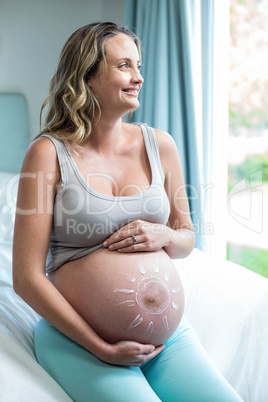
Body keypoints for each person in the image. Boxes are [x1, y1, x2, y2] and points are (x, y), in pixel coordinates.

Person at [13, 22, 243, 401]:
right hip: (80, 340)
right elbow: (25, 277)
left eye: (138, 66)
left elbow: (187, 239)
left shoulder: (160, 145)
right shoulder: (48, 153)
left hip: (166, 342)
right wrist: (101, 347)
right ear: (86, 75)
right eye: (124, 66)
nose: (137, 77)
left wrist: (166, 235)